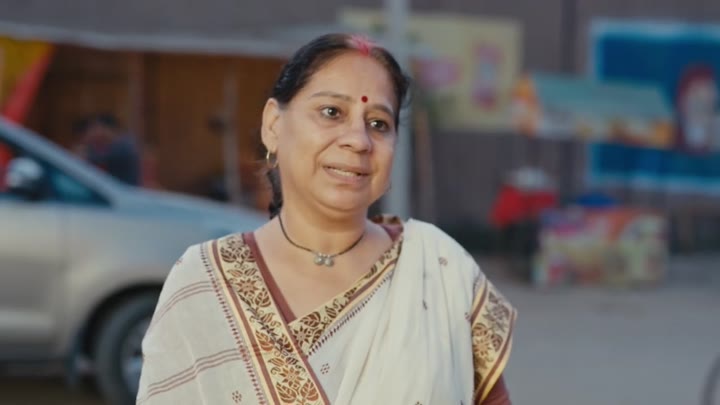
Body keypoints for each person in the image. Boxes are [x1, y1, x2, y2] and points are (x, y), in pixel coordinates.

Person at [137, 33, 517, 405]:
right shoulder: (204, 281)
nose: (359, 140)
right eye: (332, 112)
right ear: (273, 125)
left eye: (378, 124)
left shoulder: (436, 269)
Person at [74, 114, 141, 186]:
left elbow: (103, 158)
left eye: (98, 128)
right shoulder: (111, 145)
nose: (97, 133)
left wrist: (86, 153)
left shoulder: (124, 145)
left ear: (107, 128)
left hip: (125, 190)